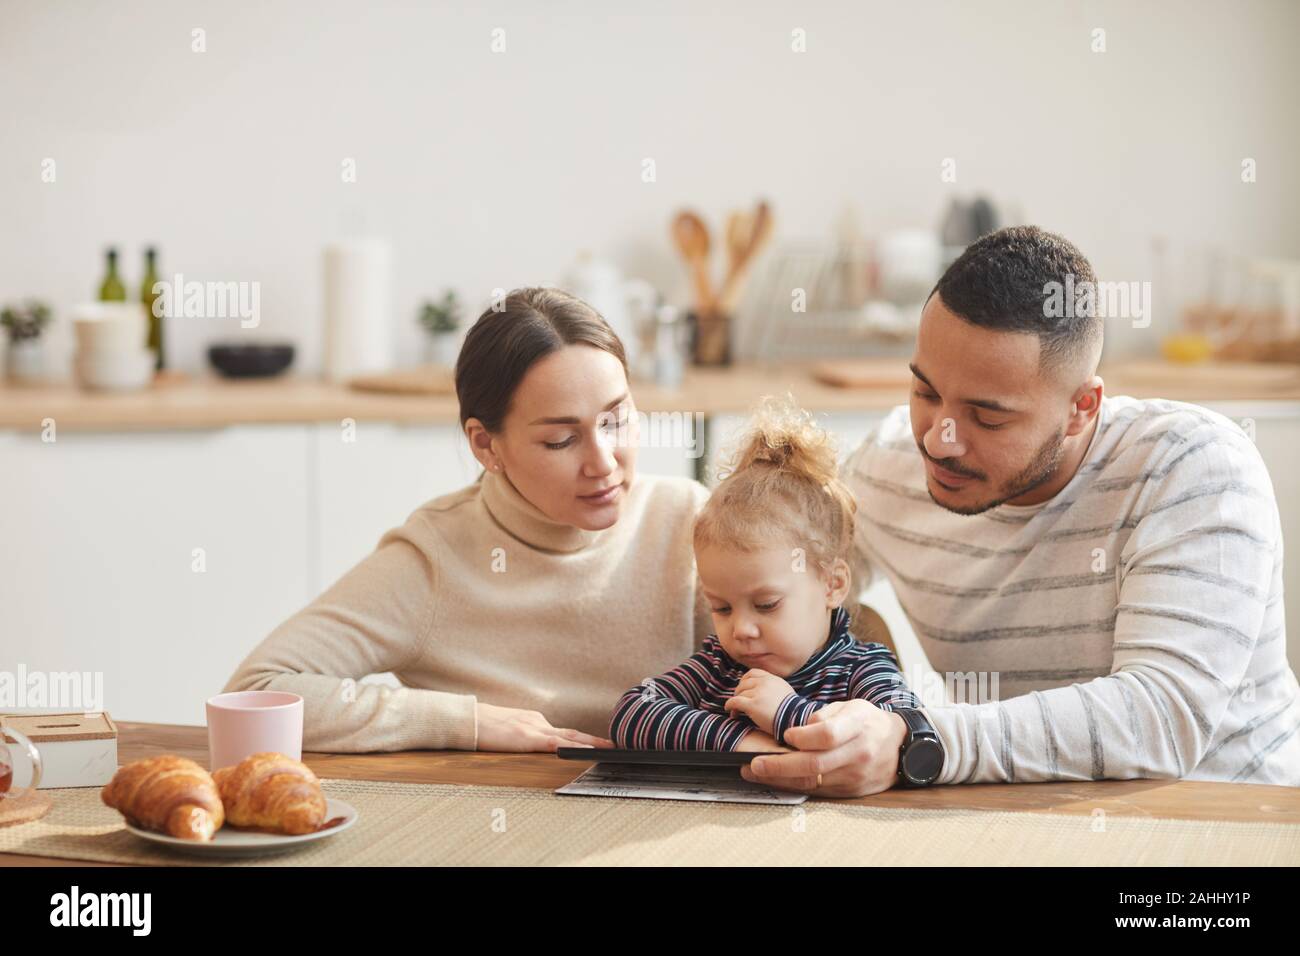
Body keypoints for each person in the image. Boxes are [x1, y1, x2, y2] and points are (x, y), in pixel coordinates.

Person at [742, 225, 1300, 797]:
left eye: (989, 418)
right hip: (1017, 816)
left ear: (1082, 408)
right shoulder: (887, 469)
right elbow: (770, 582)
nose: (939, 441)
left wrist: (917, 741)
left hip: (1231, 821)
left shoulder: (1193, 467)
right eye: (926, 393)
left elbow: (1159, 722)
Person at [223, 287, 713, 754]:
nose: (603, 462)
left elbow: (782, 679)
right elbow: (257, 691)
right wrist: (469, 722)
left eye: (615, 420)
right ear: (485, 444)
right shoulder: (435, 559)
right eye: (561, 440)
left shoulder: (688, 521)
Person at [609, 396, 921, 757]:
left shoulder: (863, 670)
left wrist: (787, 713)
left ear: (832, 584)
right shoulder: (718, 667)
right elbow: (632, 713)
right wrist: (741, 742)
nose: (741, 629)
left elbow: (905, 733)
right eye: (722, 608)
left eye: (766, 605)